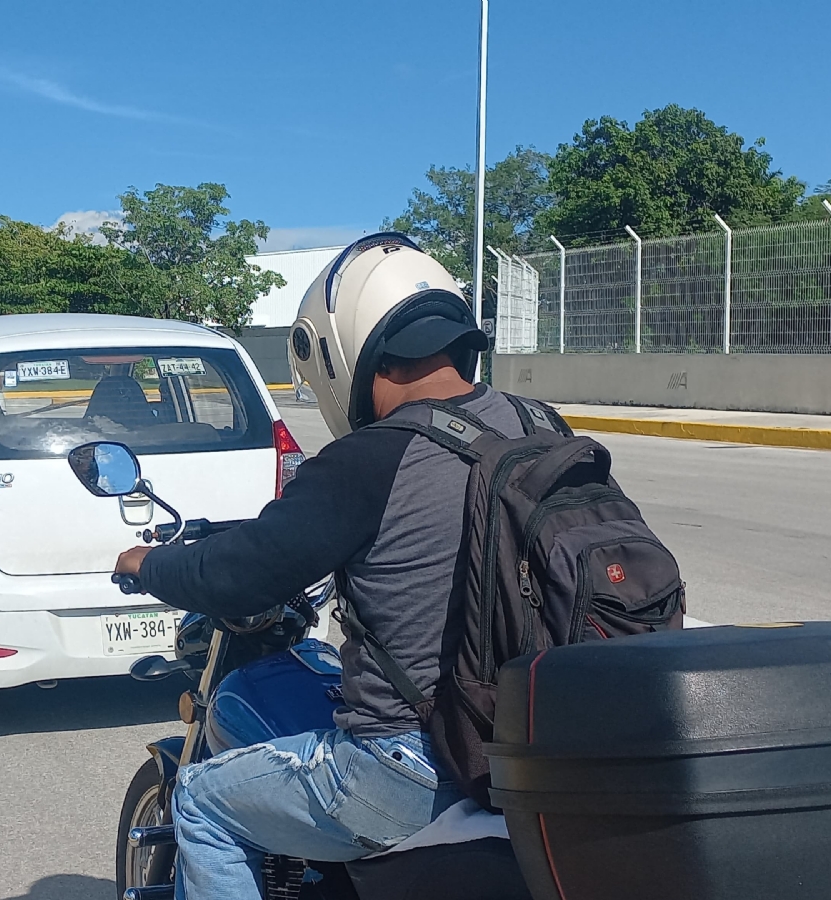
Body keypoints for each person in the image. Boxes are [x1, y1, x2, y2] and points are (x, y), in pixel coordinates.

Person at [113, 233, 556, 899]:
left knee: (202, 799)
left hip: (410, 771)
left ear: (342, 350)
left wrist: (149, 563)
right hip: (540, 747)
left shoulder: (372, 457)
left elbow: (240, 573)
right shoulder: (540, 424)